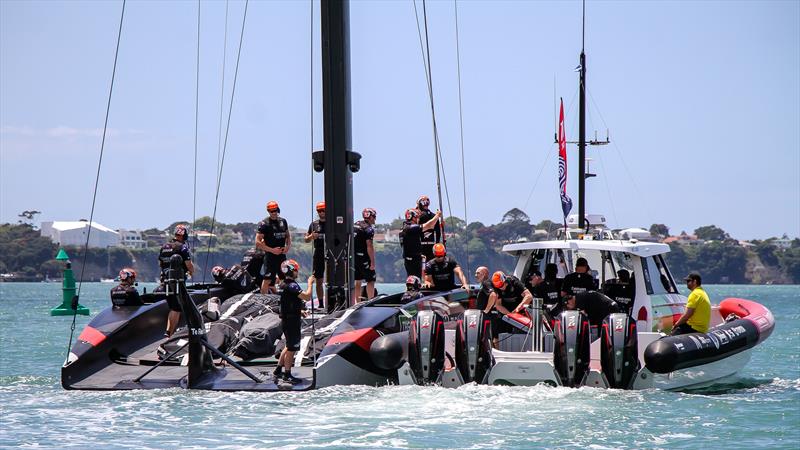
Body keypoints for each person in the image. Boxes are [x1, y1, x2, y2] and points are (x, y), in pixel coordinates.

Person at [273, 259, 314, 384]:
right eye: (296, 270)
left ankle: (278, 369)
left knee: (288, 345)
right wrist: (310, 283)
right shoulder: (292, 285)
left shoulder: (283, 283)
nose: (297, 272)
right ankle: (287, 374)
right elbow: (306, 296)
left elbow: (287, 302)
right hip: (291, 321)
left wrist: (299, 311)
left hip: (288, 318)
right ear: (292, 271)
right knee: (292, 348)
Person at [159, 224, 194, 337]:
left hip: (165, 281)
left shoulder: (164, 246)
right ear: (184, 236)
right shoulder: (182, 247)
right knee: (177, 308)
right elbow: (189, 266)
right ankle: (170, 333)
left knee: (173, 307)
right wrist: (191, 272)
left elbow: (160, 263)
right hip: (178, 283)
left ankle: (169, 332)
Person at [256, 201, 291, 295]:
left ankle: (284, 299)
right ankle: (263, 301)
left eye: (275, 210)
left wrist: (288, 246)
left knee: (285, 278)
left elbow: (288, 236)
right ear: (268, 211)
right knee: (267, 279)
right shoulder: (264, 224)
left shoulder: (283, 221)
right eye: (271, 211)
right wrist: (272, 250)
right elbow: (258, 242)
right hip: (270, 256)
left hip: (282, 256)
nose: (274, 213)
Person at [400, 208, 442, 278]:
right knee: (415, 279)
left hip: (410, 259)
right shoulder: (411, 228)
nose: (418, 219)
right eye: (416, 217)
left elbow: (411, 244)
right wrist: (437, 216)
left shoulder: (404, 228)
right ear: (411, 217)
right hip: (413, 261)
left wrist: (418, 255)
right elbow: (429, 226)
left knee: (414, 279)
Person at [353, 207, 378, 303]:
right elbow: (369, 246)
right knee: (371, 280)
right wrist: (372, 262)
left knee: (358, 280)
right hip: (364, 258)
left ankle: (357, 303)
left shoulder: (355, 224)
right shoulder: (369, 229)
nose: (375, 219)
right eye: (374, 217)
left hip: (354, 258)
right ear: (371, 217)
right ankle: (371, 301)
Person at [305, 201, 327, 308]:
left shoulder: (332, 223)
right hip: (318, 252)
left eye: (323, 210)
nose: (321, 213)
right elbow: (306, 239)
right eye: (319, 211)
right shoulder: (314, 224)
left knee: (335, 279)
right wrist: (311, 237)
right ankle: (321, 304)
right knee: (318, 279)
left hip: (331, 252)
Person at [474, 266, 499, 348]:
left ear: (484, 274)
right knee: (493, 337)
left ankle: (492, 355)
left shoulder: (486, 283)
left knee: (490, 337)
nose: (475, 275)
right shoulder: (487, 283)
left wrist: (486, 310)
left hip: (489, 316)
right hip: (492, 315)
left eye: (478, 273)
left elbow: (493, 295)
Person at [416, 195, 441, 261]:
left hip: (421, 246)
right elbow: (438, 232)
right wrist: (436, 244)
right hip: (432, 246)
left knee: (422, 268)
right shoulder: (435, 216)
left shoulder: (419, 216)